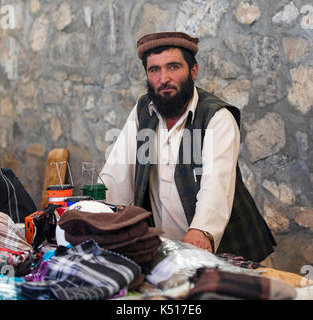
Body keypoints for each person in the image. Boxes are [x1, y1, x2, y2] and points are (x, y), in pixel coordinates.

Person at [100, 31, 276, 262]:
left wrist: (202, 231)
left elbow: (216, 184)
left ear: (193, 71)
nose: (163, 78)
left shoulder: (217, 116)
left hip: (233, 253)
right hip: (170, 253)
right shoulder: (144, 110)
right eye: (155, 70)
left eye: (173, 67)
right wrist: (99, 216)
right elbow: (118, 170)